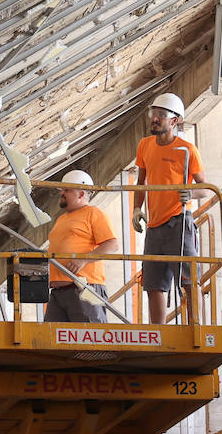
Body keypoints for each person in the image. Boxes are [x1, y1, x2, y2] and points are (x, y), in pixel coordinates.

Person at [131, 92, 206, 325]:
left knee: (188, 279)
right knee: (153, 283)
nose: (155, 119)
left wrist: (190, 193)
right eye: (154, 114)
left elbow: (205, 187)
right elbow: (141, 182)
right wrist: (137, 208)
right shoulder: (145, 146)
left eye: (162, 115)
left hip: (179, 222)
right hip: (154, 225)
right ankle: (158, 333)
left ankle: (197, 327)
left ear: (174, 121)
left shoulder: (187, 149)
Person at [44, 169, 121, 323]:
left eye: (67, 190)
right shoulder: (61, 219)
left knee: (89, 341)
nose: (62, 193)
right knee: (51, 342)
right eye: (62, 190)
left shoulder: (93, 213)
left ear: (81, 194)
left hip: (84, 287)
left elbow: (112, 244)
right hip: (58, 291)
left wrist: (83, 260)